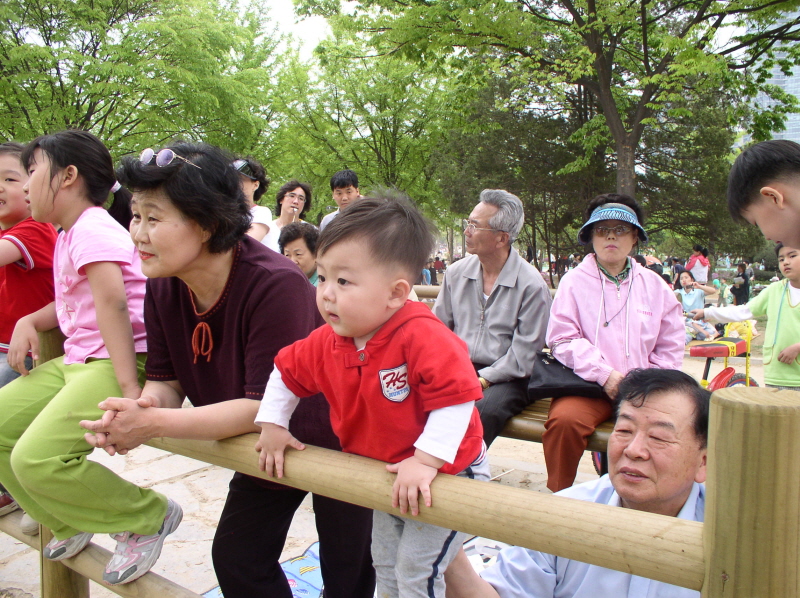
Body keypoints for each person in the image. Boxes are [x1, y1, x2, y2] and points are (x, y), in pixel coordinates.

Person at [79, 141, 374, 598]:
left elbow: (261, 405)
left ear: (208, 222)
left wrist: (153, 423)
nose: (136, 233)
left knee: (347, 569)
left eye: (153, 218)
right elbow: (166, 380)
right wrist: (138, 410)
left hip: (341, 434)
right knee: (238, 559)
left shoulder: (275, 284)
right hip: (268, 446)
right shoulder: (163, 285)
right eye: (136, 215)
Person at [255, 196, 488, 598]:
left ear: (396, 294)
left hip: (448, 471)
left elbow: (456, 399)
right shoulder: (328, 341)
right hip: (387, 472)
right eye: (323, 277)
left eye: (343, 282)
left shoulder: (422, 335)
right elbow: (285, 372)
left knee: (417, 570)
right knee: (384, 560)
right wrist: (273, 423)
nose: (326, 293)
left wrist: (425, 459)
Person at [0, 130, 181, 585]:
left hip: (120, 357)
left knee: (35, 458)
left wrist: (128, 391)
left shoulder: (93, 226)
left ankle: (148, 515)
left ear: (68, 176)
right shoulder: (70, 232)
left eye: (32, 171)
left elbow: (113, 304)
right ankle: (66, 520)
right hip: (81, 358)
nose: (24, 185)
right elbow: (72, 303)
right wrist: (31, 321)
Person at [444, 368, 708, 598]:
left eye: (659, 438)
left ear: (704, 461)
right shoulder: (563, 515)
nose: (634, 450)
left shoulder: (734, 539)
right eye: (624, 431)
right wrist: (444, 548)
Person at [544, 193, 684, 492]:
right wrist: (605, 375)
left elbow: (670, 344)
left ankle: (642, 498)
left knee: (671, 432)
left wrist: (649, 381)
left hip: (644, 389)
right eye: (602, 229)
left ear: (635, 237)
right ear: (590, 236)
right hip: (588, 386)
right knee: (564, 422)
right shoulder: (573, 281)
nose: (610, 236)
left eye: (621, 229)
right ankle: (558, 497)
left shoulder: (655, 285)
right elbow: (562, 338)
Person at [433, 189, 551, 446]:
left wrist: (483, 379)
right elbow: (438, 331)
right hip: (461, 367)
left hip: (510, 376)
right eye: (468, 223)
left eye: (474, 226)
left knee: (481, 412)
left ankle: (461, 473)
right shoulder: (456, 273)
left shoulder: (532, 286)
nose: (467, 231)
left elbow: (524, 356)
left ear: (501, 238)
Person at [0, 141, 58, 520]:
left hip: (33, 351)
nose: (0, 187)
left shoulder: (34, 228)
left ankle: (22, 491)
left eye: (10, 178)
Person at [694, 243, 800, 390]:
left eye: (792, 256)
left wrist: (797, 347)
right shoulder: (775, 290)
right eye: (781, 259)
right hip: (776, 374)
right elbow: (744, 311)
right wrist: (708, 312)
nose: (786, 262)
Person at [262, 179, 312, 252]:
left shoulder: (310, 231)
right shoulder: (266, 228)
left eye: (301, 198)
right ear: (281, 199)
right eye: (292, 196)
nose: (296, 201)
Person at [233, 157, 271, 242]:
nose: (236, 183)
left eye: (241, 179)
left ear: (255, 185)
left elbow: (246, 245)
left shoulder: (261, 213)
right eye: (232, 179)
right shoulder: (225, 212)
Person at [675, 271, 719, 343]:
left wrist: (699, 286)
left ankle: (694, 335)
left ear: (692, 280)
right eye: (681, 278)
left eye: (686, 277)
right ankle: (690, 335)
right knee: (687, 336)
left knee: (710, 332)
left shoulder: (698, 291)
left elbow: (713, 291)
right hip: (686, 321)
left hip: (699, 321)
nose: (684, 280)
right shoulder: (678, 292)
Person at [278, 221, 320, 285]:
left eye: (298, 254)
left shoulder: (324, 283)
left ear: (315, 253)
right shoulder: (283, 282)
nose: (292, 261)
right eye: (287, 255)